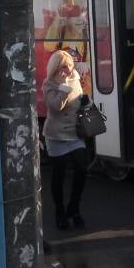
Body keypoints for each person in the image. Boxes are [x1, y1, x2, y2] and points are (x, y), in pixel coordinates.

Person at [42, 49, 89, 230]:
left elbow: (78, 100)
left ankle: (74, 207)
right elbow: (56, 107)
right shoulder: (49, 84)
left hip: (74, 134)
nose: (68, 70)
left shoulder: (76, 77)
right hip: (56, 136)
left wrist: (86, 103)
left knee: (82, 168)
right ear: (55, 68)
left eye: (69, 66)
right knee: (59, 175)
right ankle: (59, 212)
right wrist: (63, 86)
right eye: (63, 67)